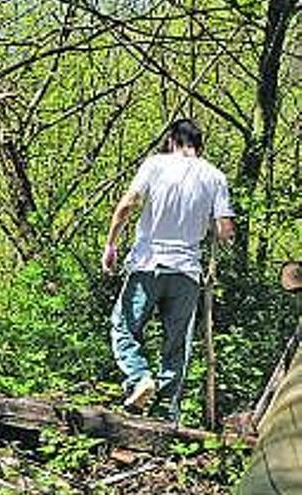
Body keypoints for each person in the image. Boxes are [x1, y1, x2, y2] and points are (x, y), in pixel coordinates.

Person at [101, 119, 235, 422]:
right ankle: (164, 414)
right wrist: (219, 238)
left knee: (123, 328)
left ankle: (139, 378)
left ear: (172, 140)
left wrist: (111, 245)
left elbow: (128, 204)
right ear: (199, 145)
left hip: (147, 265)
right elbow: (225, 230)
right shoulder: (215, 176)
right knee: (176, 345)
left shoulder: (155, 165)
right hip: (186, 272)